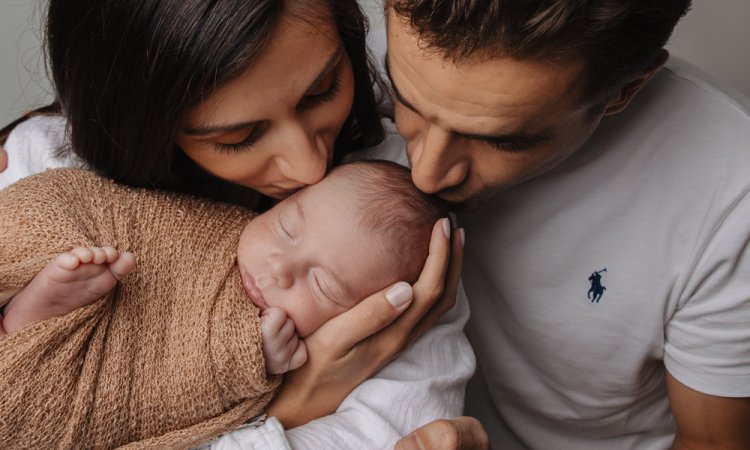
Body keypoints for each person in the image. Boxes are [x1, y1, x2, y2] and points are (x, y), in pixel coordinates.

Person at [0, 1, 472, 449]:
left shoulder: (396, 213)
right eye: (239, 136)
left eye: (321, 89)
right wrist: (298, 405)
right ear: (143, 125)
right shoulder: (42, 170)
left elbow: (395, 425)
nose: (310, 170)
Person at [357, 1, 749, 449]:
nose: (426, 172)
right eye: (407, 101)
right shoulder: (346, 60)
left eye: (501, 141)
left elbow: (712, 442)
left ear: (625, 91)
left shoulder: (732, 200)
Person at [0, 160, 448, 448]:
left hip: (82, 391)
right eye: (286, 229)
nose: (277, 270)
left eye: (323, 286)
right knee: (60, 225)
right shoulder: (219, 227)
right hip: (118, 270)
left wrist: (256, 359)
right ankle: (36, 306)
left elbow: (170, 391)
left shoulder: (286, 345)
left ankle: (31, 323)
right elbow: (148, 220)